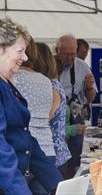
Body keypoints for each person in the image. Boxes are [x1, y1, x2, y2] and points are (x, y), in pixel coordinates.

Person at [0, 18, 62, 195]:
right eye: (20, 51)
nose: (26, 58)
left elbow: (25, 140)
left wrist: (59, 186)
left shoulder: (6, 84)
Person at [11, 37, 59, 195]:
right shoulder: (45, 81)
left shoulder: (11, 80)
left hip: (19, 153)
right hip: (46, 150)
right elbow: (50, 115)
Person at [55, 34, 97, 178]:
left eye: (73, 54)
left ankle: (72, 179)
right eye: (66, 54)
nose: (70, 58)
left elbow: (90, 98)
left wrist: (90, 87)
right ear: (57, 51)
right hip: (54, 115)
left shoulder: (82, 66)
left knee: (76, 153)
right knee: (58, 156)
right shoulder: (50, 65)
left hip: (74, 113)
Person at [34, 42, 72, 179]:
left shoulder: (47, 86)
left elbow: (43, 119)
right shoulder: (53, 84)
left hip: (51, 157)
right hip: (58, 154)